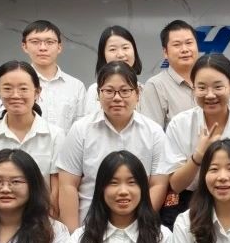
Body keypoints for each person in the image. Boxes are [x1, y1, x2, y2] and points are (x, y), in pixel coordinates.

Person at [57, 61, 168, 231]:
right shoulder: (81, 130)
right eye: (109, 91)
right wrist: (73, 235)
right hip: (89, 227)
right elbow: (67, 185)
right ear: (98, 94)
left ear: (137, 94)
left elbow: (158, 184)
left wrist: (140, 227)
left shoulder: (154, 132)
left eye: (125, 91)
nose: (117, 98)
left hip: (138, 228)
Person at [164, 54, 230, 228]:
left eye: (218, 87)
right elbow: (175, 185)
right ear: (193, 88)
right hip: (187, 205)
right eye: (201, 87)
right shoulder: (179, 125)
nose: (210, 95)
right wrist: (198, 156)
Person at [0, 61, 62, 207]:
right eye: (7, 88)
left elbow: (56, 188)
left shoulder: (55, 135)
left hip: (42, 215)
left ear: (37, 92)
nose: (15, 95)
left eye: (23, 89)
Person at [19, 20, 85, 133]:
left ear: (59, 47)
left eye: (49, 42)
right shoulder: (16, 84)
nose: (43, 48)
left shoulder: (76, 86)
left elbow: (81, 129)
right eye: (35, 42)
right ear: (24, 46)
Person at [141, 20, 199, 129]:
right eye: (177, 45)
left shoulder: (209, 80)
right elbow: (152, 134)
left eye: (189, 43)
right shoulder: (155, 86)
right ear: (165, 52)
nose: (185, 49)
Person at [79, 26, 144, 118]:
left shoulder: (145, 91)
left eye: (125, 47)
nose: (120, 54)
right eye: (113, 49)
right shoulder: (94, 90)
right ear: (103, 55)